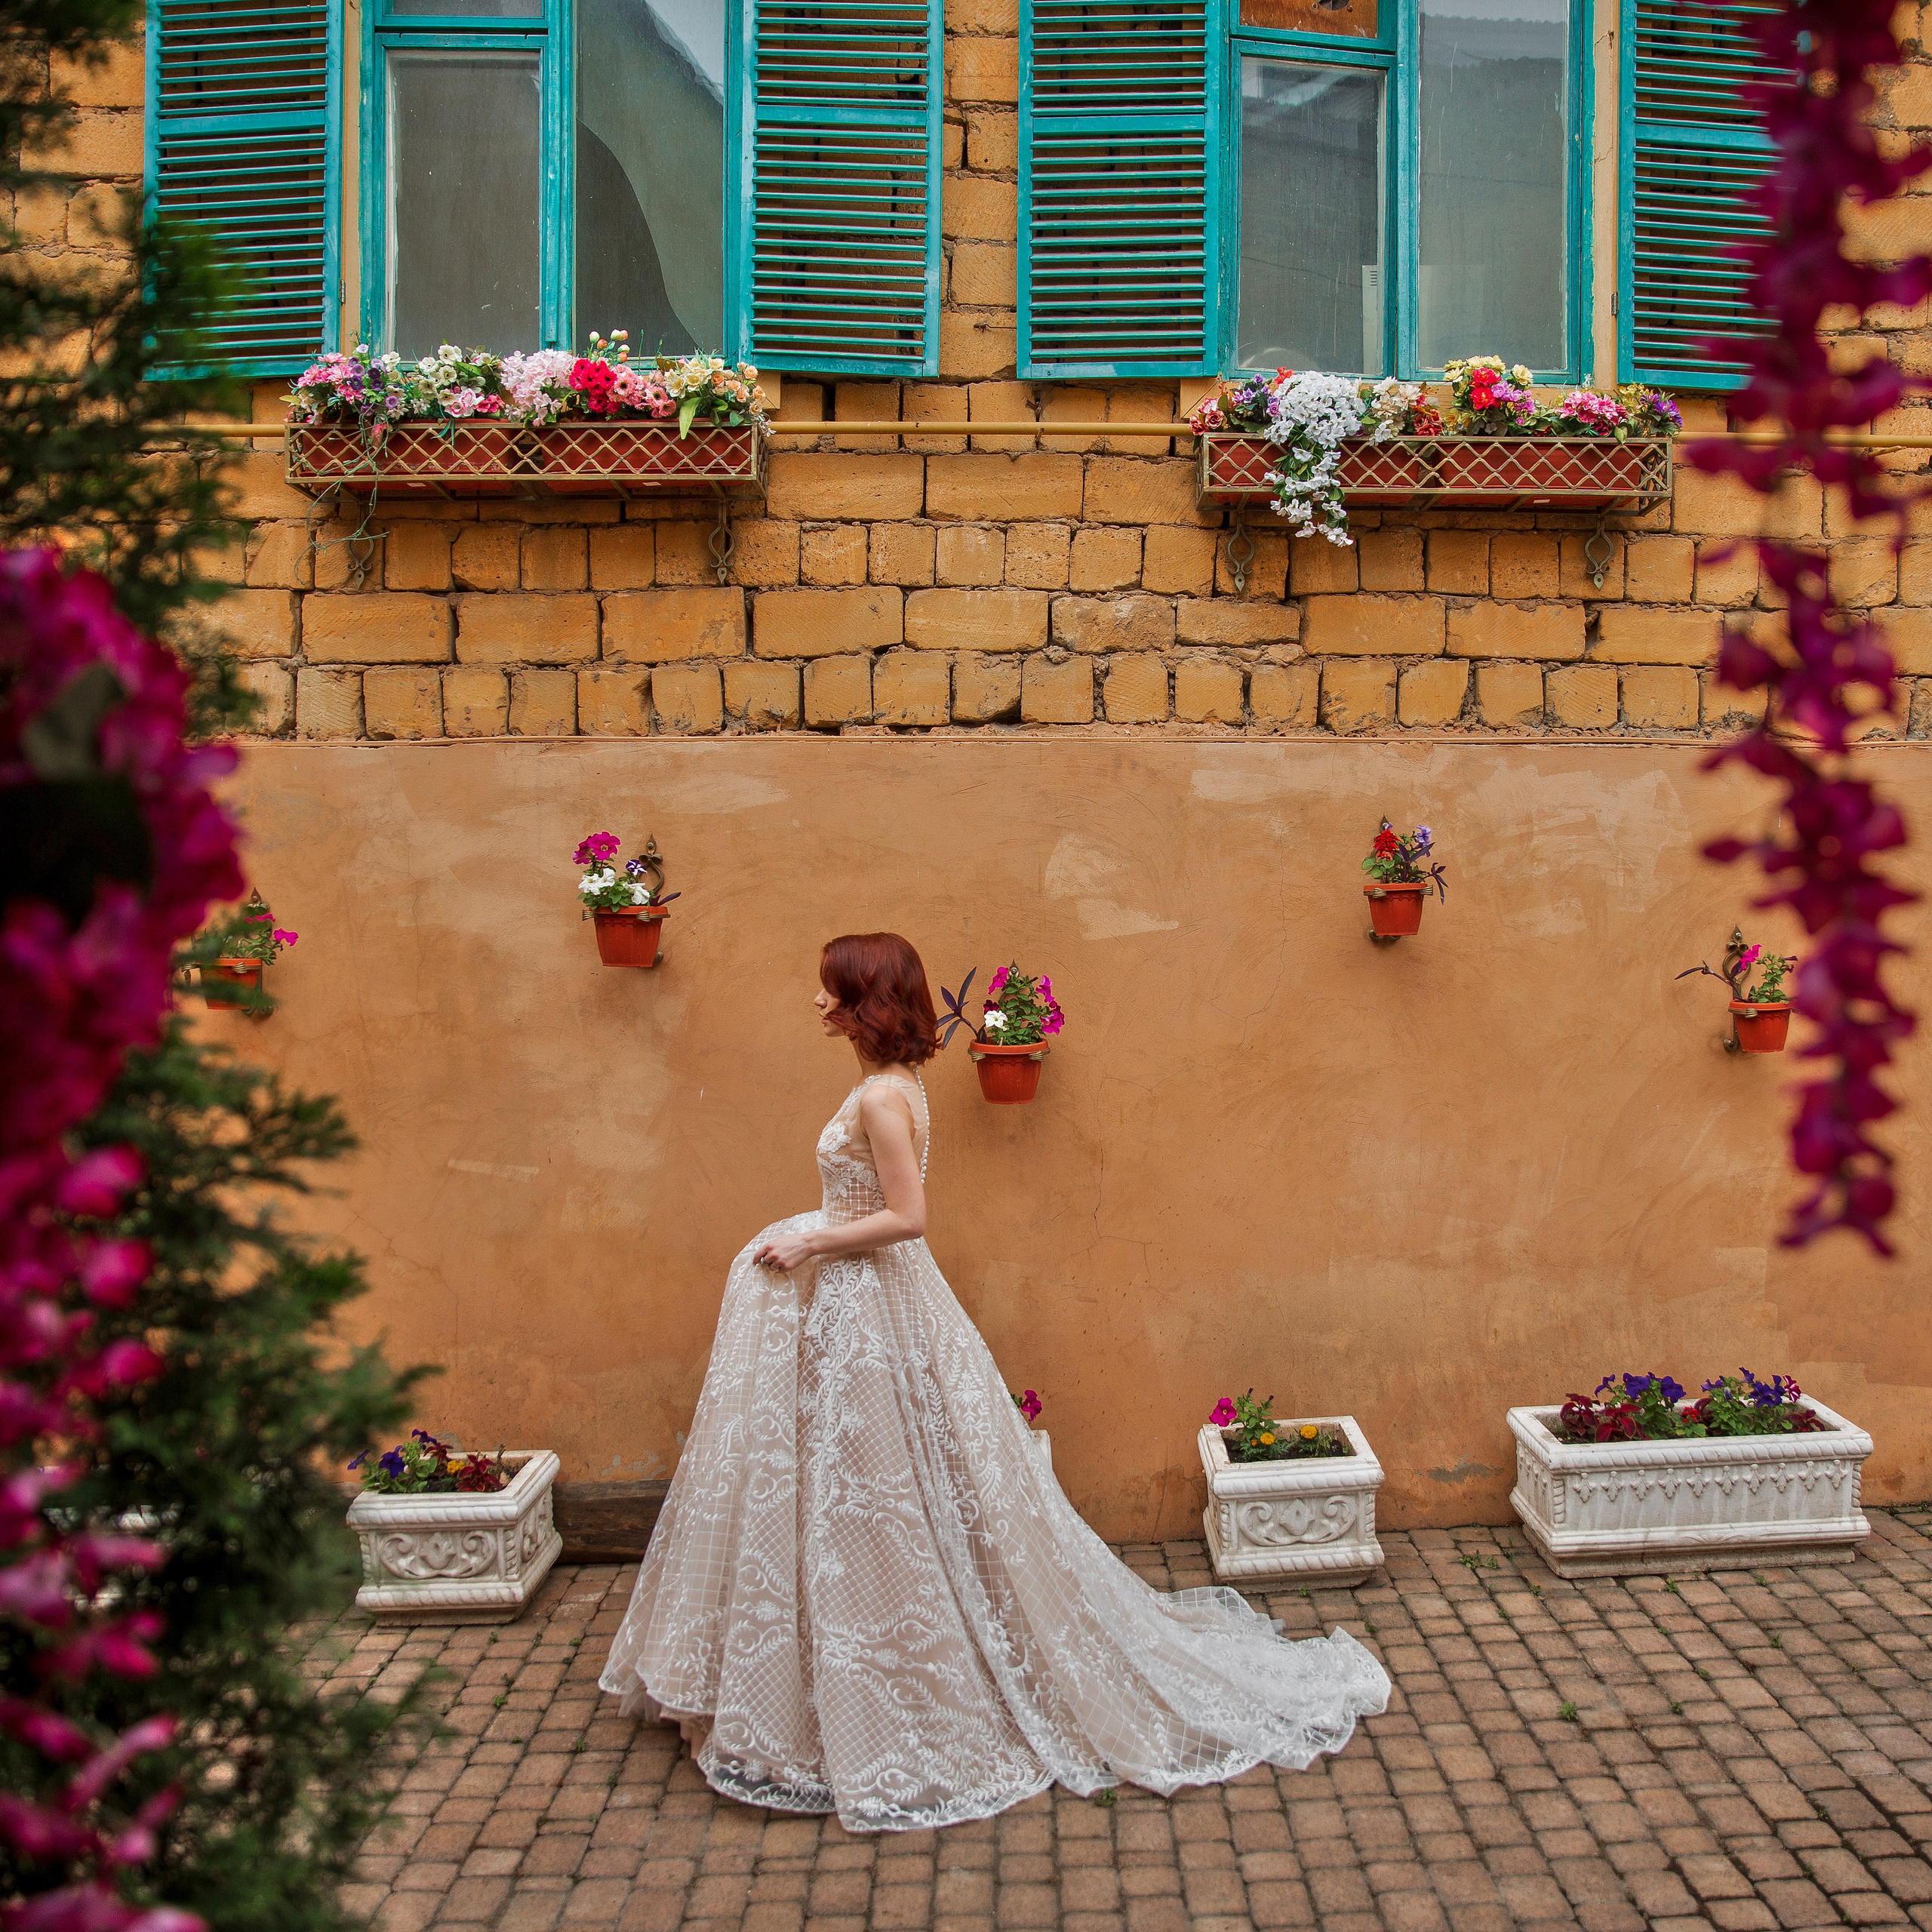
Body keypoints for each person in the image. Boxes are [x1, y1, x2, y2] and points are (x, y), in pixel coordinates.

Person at [599, 932, 1389, 1831]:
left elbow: (908, 1216)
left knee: (872, 1487)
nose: (815, 1003)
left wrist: (812, 1239)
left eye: (830, 991)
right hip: (863, 1309)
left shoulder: (881, 1099)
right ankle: (842, 1666)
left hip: (873, 1306)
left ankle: (884, 1684)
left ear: (866, 1002)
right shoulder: (893, 1087)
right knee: (860, 1490)